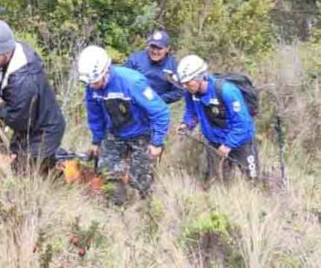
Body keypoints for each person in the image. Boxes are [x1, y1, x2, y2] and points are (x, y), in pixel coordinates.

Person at [79, 45, 170, 204]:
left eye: (96, 81)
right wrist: (96, 140)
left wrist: (157, 142)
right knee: (108, 172)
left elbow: (161, 112)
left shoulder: (132, 82)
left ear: (106, 71)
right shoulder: (92, 87)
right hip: (115, 132)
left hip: (142, 132)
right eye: (90, 83)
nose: (93, 86)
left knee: (139, 179)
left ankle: (146, 208)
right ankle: (117, 208)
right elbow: (95, 116)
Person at [0, 20, 65, 173]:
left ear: (4, 51)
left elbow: (20, 120)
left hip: (43, 131)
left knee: (24, 173)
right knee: (20, 161)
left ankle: (64, 176)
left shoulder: (24, 79)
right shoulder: (13, 53)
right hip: (32, 124)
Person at [175, 55, 258, 181]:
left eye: (188, 82)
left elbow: (243, 124)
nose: (185, 86)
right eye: (183, 83)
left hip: (241, 142)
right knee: (219, 182)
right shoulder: (190, 93)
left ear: (200, 77)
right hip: (215, 143)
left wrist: (228, 145)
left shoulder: (226, 91)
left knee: (252, 180)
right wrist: (187, 125)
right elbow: (192, 113)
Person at [124, 30, 183, 104]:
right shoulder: (135, 60)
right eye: (153, 47)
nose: (155, 51)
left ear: (167, 49)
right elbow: (123, 80)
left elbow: (179, 91)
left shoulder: (173, 66)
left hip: (157, 106)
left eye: (159, 48)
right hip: (134, 103)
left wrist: (158, 100)